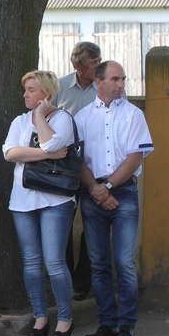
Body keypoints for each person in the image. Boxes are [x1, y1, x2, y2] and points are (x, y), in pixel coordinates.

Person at [76, 60, 153, 336]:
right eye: (115, 79)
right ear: (99, 82)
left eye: (123, 79)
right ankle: (106, 323)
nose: (121, 84)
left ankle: (127, 324)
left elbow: (135, 156)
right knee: (99, 263)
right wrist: (95, 189)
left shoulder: (134, 114)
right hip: (92, 192)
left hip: (123, 192)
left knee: (124, 261)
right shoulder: (83, 117)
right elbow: (79, 159)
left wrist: (106, 187)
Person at [3, 70, 76, 336]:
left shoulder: (64, 118)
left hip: (56, 200)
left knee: (55, 262)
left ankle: (65, 318)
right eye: (25, 90)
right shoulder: (20, 121)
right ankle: (40, 316)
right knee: (31, 262)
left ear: (46, 93)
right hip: (22, 201)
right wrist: (48, 154)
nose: (25, 94)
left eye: (31, 90)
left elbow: (53, 141)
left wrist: (41, 117)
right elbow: (10, 153)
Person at [54, 41, 101, 301]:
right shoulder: (59, 87)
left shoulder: (106, 86)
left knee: (92, 225)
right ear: (77, 66)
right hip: (66, 167)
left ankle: (83, 282)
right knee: (62, 222)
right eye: (92, 64)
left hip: (97, 166)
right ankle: (65, 281)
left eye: (98, 62)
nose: (97, 68)